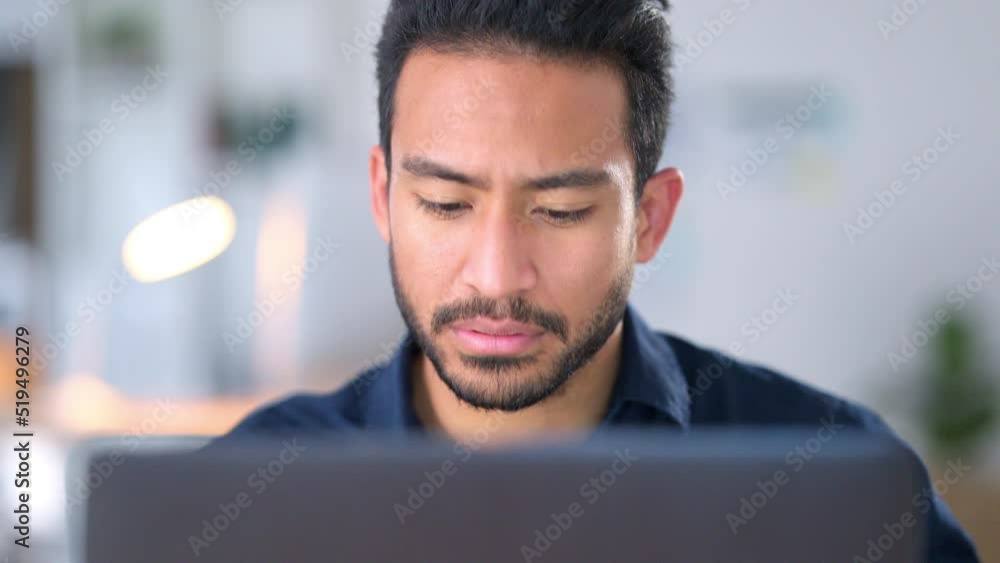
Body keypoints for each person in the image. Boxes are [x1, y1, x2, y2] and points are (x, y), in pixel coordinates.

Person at [218, 1, 979, 559]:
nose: (495, 274)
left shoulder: (831, 481)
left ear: (649, 218)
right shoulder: (241, 494)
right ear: (383, 197)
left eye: (560, 210)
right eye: (447, 204)